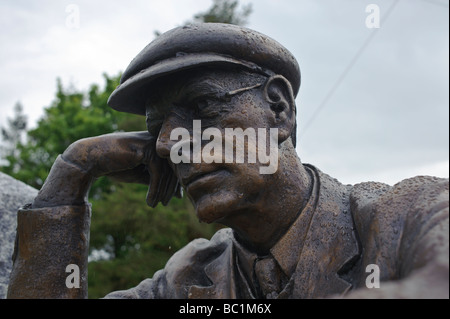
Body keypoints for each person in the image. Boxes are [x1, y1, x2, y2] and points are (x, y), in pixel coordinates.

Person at [7, 23, 449, 299]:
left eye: (203, 106)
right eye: (158, 126)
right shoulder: (186, 279)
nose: (167, 145)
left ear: (279, 109)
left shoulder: (406, 217)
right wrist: (73, 170)